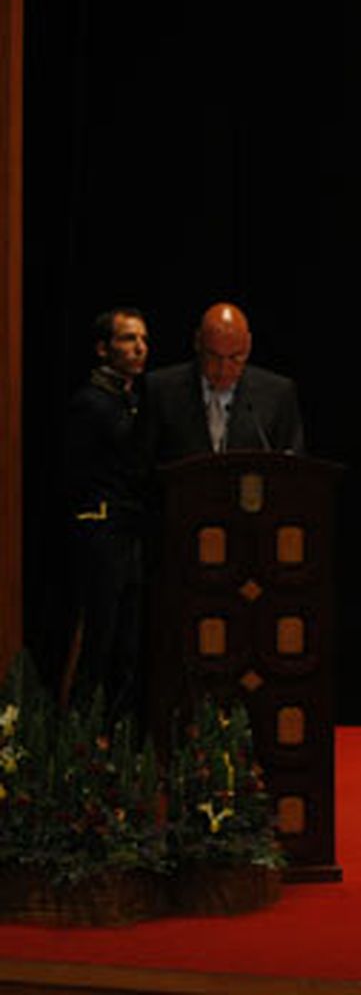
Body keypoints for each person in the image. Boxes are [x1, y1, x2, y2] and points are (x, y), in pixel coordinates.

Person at [61, 308, 149, 718]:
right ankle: (77, 740)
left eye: (143, 340)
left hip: (132, 532)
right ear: (102, 348)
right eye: (128, 339)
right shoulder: (90, 403)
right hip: (101, 530)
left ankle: (119, 743)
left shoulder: (135, 400)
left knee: (127, 648)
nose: (139, 348)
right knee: (98, 640)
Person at [142, 302, 305, 462]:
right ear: (198, 342)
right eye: (213, 356)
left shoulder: (277, 394)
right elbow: (142, 468)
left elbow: (291, 470)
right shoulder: (160, 390)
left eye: (235, 357)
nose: (223, 369)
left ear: (248, 346)